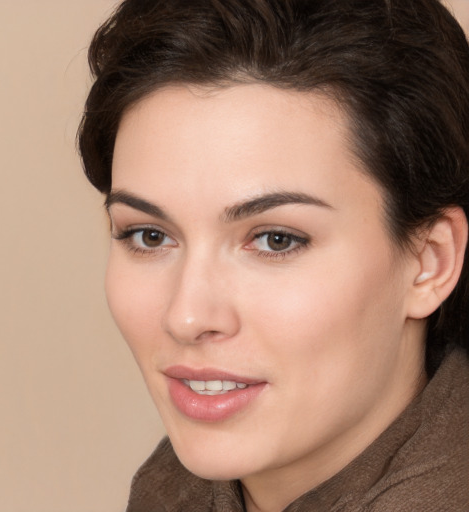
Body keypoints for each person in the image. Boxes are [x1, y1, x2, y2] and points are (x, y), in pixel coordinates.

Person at [78, 0, 469, 510]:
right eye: (150, 236)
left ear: (430, 262)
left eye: (275, 240)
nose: (187, 316)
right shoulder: (170, 490)